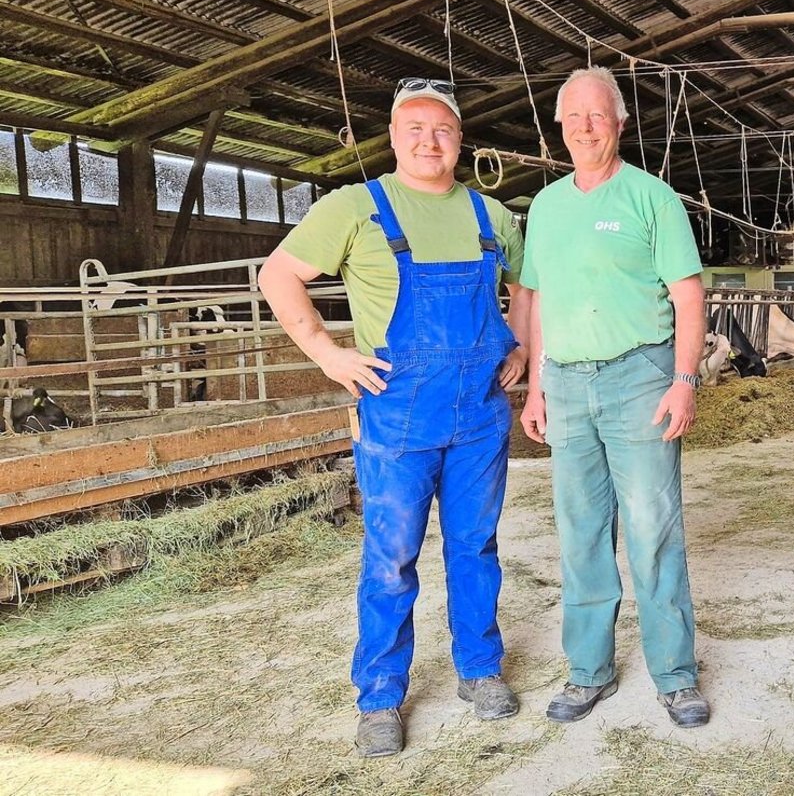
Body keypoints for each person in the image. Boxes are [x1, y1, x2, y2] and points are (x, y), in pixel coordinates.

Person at [259, 78, 529, 758]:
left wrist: (524, 344)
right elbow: (277, 274)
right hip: (397, 415)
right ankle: (380, 695)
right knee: (391, 558)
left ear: (459, 138)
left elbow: (529, 286)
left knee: (476, 546)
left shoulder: (491, 214)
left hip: (479, 414)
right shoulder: (356, 206)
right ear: (393, 135)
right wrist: (326, 352)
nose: (428, 140)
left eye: (441, 128)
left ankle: (479, 668)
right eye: (414, 128)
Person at [518, 66, 710, 728]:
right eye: (573, 117)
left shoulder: (651, 198)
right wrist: (536, 386)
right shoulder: (545, 207)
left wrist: (684, 380)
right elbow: (537, 299)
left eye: (597, 115)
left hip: (640, 378)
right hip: (567, 384)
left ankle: (676, 675)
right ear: (559, 127)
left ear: (620, 123)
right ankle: (589, 670)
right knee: (580, 533)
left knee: (654, 528)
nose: (584, 126)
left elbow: (689, 297)